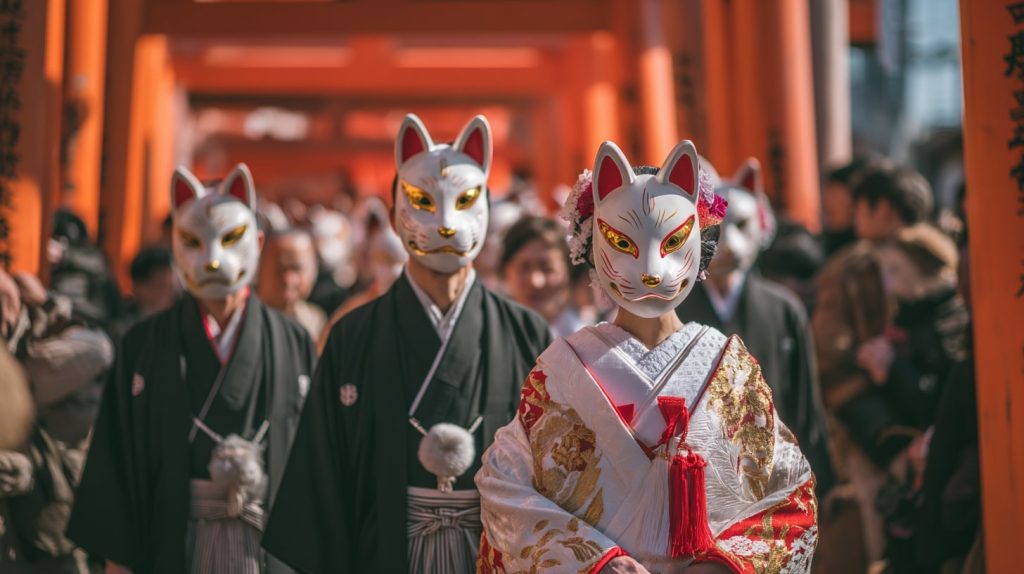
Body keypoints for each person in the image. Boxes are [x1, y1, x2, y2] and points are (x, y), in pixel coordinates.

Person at [476, 140, 817, 573]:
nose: (652, 269)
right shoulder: (560, 367)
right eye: (622, 242)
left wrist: (724, 564)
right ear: (591, 246)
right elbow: (506, 486)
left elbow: (788, 492)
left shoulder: (729, 366)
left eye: (673, 241)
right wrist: (597, 562)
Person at [263, 114, 551, 574]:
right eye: (422, 201)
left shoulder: (526, 331)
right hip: (383, 552)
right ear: (396, 207)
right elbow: (322, 469)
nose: (445, 222)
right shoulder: (353, 334)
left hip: (495, 553)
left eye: (464, 201)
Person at [67, 164, 317, 574]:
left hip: (265, 545)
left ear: (256, 242)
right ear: (174, 244)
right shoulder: (144, 343)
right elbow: (117, 453)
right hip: (172, 541)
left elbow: (311, 460)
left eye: (231, 240)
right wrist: (118, 562)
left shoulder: (293, 341)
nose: (213, 259)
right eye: (193, 241)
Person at [675, 158, 835, 496]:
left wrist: (816, 473)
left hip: (776, 472)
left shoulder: (783, 308)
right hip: (696, 478)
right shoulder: (673, 308)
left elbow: (805, 405)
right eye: (713, 230)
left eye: (741, 225)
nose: (728, 244)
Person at [812, 160, 935, 564]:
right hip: (930, 426)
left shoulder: (852, 266)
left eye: (857, 207)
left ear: (881, 210)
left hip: (875, 434)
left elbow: (827, 350)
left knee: (881, 536)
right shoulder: (944, 258)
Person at [501, 215, 588, 338]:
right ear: (506, 270)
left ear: (568, 273)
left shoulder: (583, 344)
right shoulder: (488, 334)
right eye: (524, 267)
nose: (535, 282)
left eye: (548, 269)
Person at [257, 228, 326, 340]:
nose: (288, 279)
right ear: (259, 267)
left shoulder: (315, 322)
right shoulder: (241, 321)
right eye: (280, 269)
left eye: (297, 268)